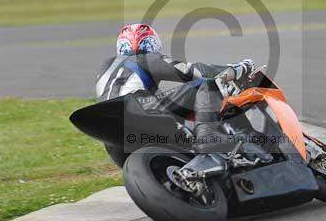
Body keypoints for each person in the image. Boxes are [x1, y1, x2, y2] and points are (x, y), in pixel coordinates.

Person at [95, 23, 271, 164]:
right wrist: (239, 68)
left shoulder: (105, 67)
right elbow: (194, 71)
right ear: (151, 44)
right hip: (138, 109)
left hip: (114, 143)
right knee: (207, 83)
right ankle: (207, 135)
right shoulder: (146, 58)